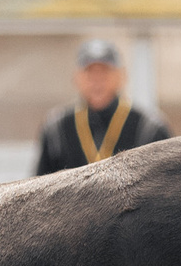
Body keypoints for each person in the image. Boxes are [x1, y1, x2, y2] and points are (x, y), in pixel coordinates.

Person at [35, 38, 171, 175]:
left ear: (122, 76)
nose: (97, 80)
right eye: (89, 72)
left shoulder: (149, 127)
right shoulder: (57, 128)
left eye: (105, 71)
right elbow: (40, 182)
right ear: (76, 78)